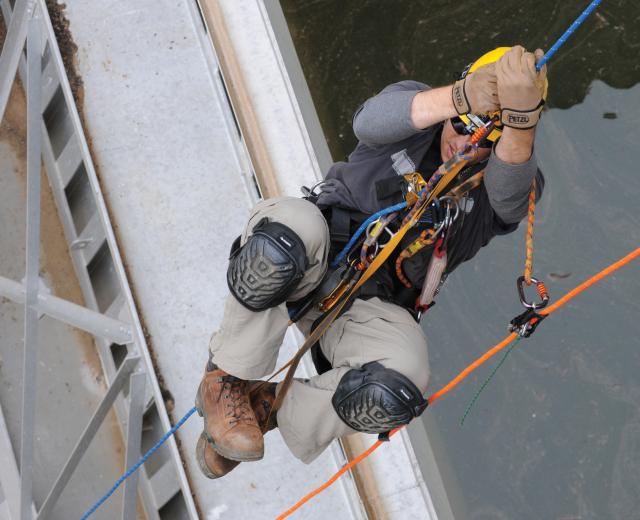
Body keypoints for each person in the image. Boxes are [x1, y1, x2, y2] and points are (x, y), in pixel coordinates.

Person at [194, 45, 548, 478]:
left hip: (368, 308)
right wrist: (461, 98)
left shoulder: (510, 179)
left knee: (397, 389)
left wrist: (520, 122)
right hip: (315, 252)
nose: (463, 141)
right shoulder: (418, 108)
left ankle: (265, 409)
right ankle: (227, 379)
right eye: (461, 126)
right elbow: (369, 121)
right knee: (279, 248)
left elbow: (511, 196)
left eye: (483, 141)